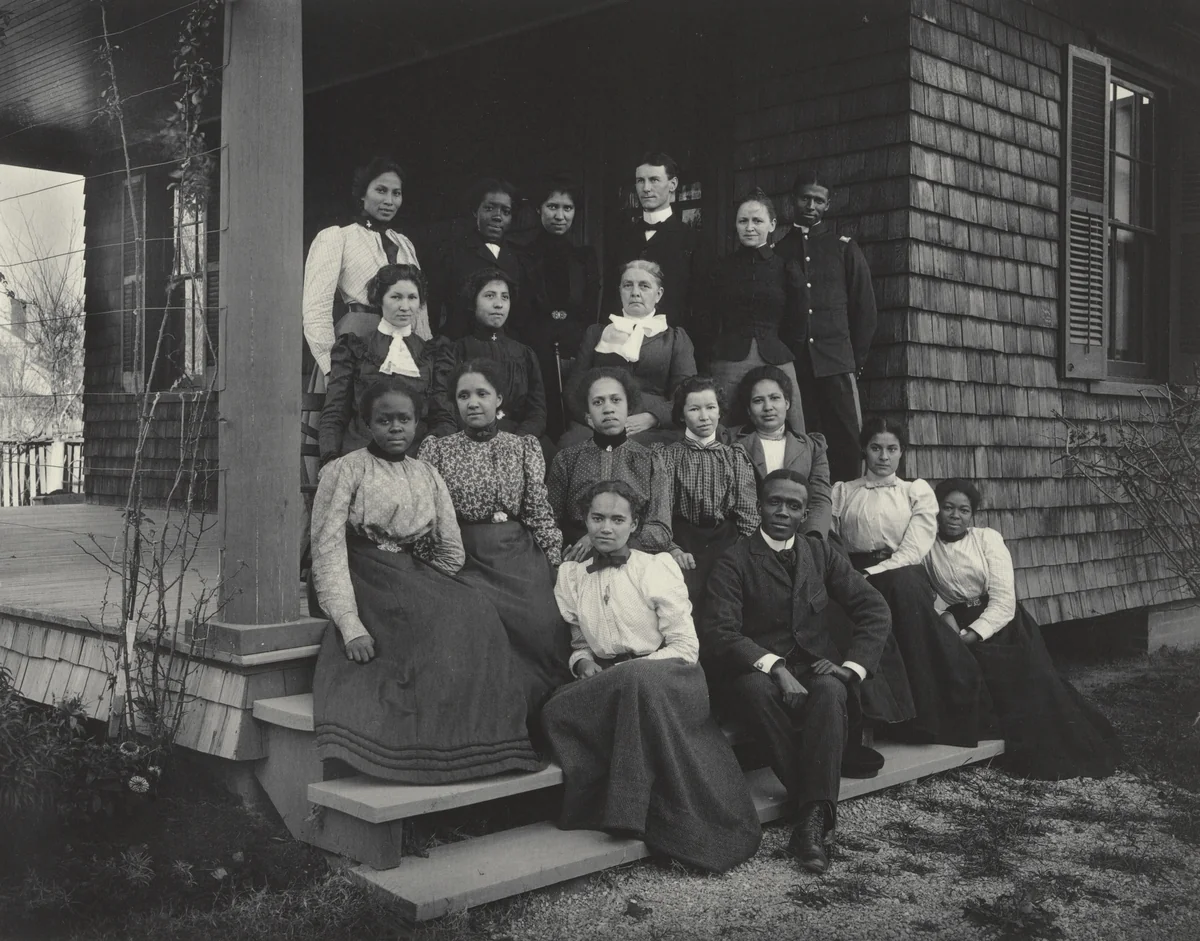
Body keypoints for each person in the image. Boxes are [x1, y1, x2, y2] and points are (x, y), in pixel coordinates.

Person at [309, 379, 541, 783]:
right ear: (366, 424)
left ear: (417, 424)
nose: (394, 428)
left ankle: (480, 746)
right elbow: (326, 547)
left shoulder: (427, 474)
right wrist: (349, 624)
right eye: (384, 420)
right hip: (359, 568)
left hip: (410, 568)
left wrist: (431, 578)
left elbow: (449, 546)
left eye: (404, 419)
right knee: (423, 616)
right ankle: (417, 752)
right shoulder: (345, 470)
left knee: (475, 608)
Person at [541, 480, 762, 872]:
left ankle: (650, 816)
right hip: (612, 680)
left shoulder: (656, 568)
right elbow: (579, 642)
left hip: (670, 676)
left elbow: (685, 647)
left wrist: (628, 670)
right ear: (585, 521)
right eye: (596, 518)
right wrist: (583, 664)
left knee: (636, 681)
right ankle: (607, 802)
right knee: (556, 709)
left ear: (634, 523)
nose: (605, 528)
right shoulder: (572, 576)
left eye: (617, 519)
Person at [699, 470, 892, 874]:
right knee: (754, 689)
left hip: (818, 664)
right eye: (775, 502)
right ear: (759, 505)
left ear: (805, 513)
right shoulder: (734, 560)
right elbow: (721, 632)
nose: (782, 512)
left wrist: (850, 668)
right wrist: (777, 667)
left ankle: (809, 819)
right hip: (757, 668)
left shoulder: (819, 553)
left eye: (794, 506)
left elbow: (873, 608)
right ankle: (816, 811)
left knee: (830, 690)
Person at [926, 479, 1120, 779]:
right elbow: (928, 594)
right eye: (948, 508)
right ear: (936, 510)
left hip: (1004, 623)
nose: (955, 515)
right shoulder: (926, 545)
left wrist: (973, 634)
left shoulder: (987, 539)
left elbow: (1004, 599)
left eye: (964, 510)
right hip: (957, 623)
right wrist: (946, 618)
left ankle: (1064, 753)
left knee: (1036, 685)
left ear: (972, 515)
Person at [419, 361, 572, 719]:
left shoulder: (523, 447)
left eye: (482, 394)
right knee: (477, 620)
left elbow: (537, 510)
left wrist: (554, 560)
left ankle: (543, 713)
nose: (473, 402)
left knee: (541, 620)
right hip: (463, 554)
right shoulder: (438, 450)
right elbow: (430, 518)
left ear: (499, 399)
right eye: (464, 395)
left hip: (516, 552)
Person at [832, 417, 990, 747]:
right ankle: (874, 718)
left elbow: (914, 548)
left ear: (902, 452)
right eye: (876, 448)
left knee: (905, 598)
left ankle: (925, 720)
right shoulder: (843, 491)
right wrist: (850, 574)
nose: (883, 457)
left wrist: (873, 573)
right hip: (853, 571)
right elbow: (833, 541)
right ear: (864, 449)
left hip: (901, 570)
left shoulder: (914, 492)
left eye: (892, 449)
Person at [773, 168, 878, 483]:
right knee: (799, 437)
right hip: (795, 363)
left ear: (828, 205)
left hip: (836, 362)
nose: (810, 206)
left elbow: (865, 310)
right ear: (794, 200)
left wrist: (854, 362)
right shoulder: (780, 250)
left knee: (846, 439)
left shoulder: (843, 247)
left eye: (818, 201)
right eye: (805, 198)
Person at [560, 259, 697, 447]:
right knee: (573, 443)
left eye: (644, 286)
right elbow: (574, 388)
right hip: (600, 420)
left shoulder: (675, 339)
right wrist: (588, 417)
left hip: (652, 427)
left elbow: (686, 394)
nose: (635, 293)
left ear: (658, 294)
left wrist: (652, 418)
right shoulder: (597, 333)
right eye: (627, 285)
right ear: (620, 291)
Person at [704, 191, 806, 435]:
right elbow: (707, 317)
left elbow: (798, 321)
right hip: (729, 359)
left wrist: (780, 347)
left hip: (776, 356)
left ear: (772, 225)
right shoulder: (722, 268)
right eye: (743, 221)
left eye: (757, 221)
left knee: (791, 426)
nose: (749, 227)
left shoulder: (786, 268)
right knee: (722, 428)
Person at [546, 366, 672, 558]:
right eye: (598, 402)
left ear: (628, 408)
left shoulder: (650, 461)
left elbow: (661, 529)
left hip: (634, 555)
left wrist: (602, 539)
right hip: (578, 556)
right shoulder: (566, 460)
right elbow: (549, 520)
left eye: (616, 400)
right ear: (588, 416)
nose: (608, 409)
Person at [655, 376, 759, 607]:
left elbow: (748, 513)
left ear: (720, 411)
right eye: (694, 409)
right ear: (682, 415)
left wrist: (740, 550)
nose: (704, 417)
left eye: (711, 407)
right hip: (683, 540)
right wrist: (672, 548)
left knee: (729, 594)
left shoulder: (734, 457)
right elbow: (660, 511)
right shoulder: (668, 457)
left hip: (726, 541)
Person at [318, 264, 436, 464]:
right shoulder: (355, 348)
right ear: (379, 299)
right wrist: (330, 459)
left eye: (412, 298)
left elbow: (441, 417)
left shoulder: (430, 353)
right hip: (362, 453)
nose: (405, 306)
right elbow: (335, 411)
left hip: (415, 458)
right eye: (396, 297)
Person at [426, 268, 549, 448]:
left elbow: (537, 412)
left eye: (504, 297)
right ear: (473, 302)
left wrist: (518, 440)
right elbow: (444, 406)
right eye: (490, 296)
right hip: (467, 437)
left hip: (516, 439)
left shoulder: (524, 354)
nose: (498, 304)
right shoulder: (455, 351)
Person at [521, 177, 601, 438]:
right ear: (538, 210)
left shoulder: (584, 257)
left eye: (567, 208)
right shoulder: (524, 256)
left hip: (575, 347)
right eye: (552, 207)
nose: (560, 215)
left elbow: (590, 309)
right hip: (537, 346)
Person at [603, 151, 708, 329]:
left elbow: (701, 306)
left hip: (671, 346)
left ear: (672, 184)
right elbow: (610, 299)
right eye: (640, 181)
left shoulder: (692, 240)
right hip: (622, 344)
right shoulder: (622, 238)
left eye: (654, 180)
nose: (646, 188)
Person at [726, 365, 832, 539]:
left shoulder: (812, 446)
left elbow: (820, 499)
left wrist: (811, 540)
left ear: (787, 403)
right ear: (748, 410)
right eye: (758, 401)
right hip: (746, 535)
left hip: (800, 535)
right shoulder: (729, 441)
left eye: (775, 398)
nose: (768, 407)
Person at [431, 178, 538, 341]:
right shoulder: (451, 254)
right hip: (460, 348)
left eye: (506, 211)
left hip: (505, 351)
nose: (497, 216)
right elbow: (434, 307)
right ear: (476, 211)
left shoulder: (519, 260)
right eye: (489, 208)